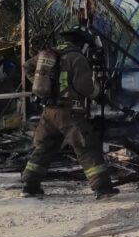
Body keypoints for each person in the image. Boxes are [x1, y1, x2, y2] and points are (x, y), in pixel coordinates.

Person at [20, 28, 118, 199]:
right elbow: (85, 86)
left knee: (44, 148)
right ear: (81, 43)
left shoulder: (49, 55)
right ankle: (102, 189)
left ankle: (29, 186)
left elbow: (27, 66)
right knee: (87, 147)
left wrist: (42, 86)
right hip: (70, 113)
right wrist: (99, 95)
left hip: (49, 112)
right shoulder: (77, 58)